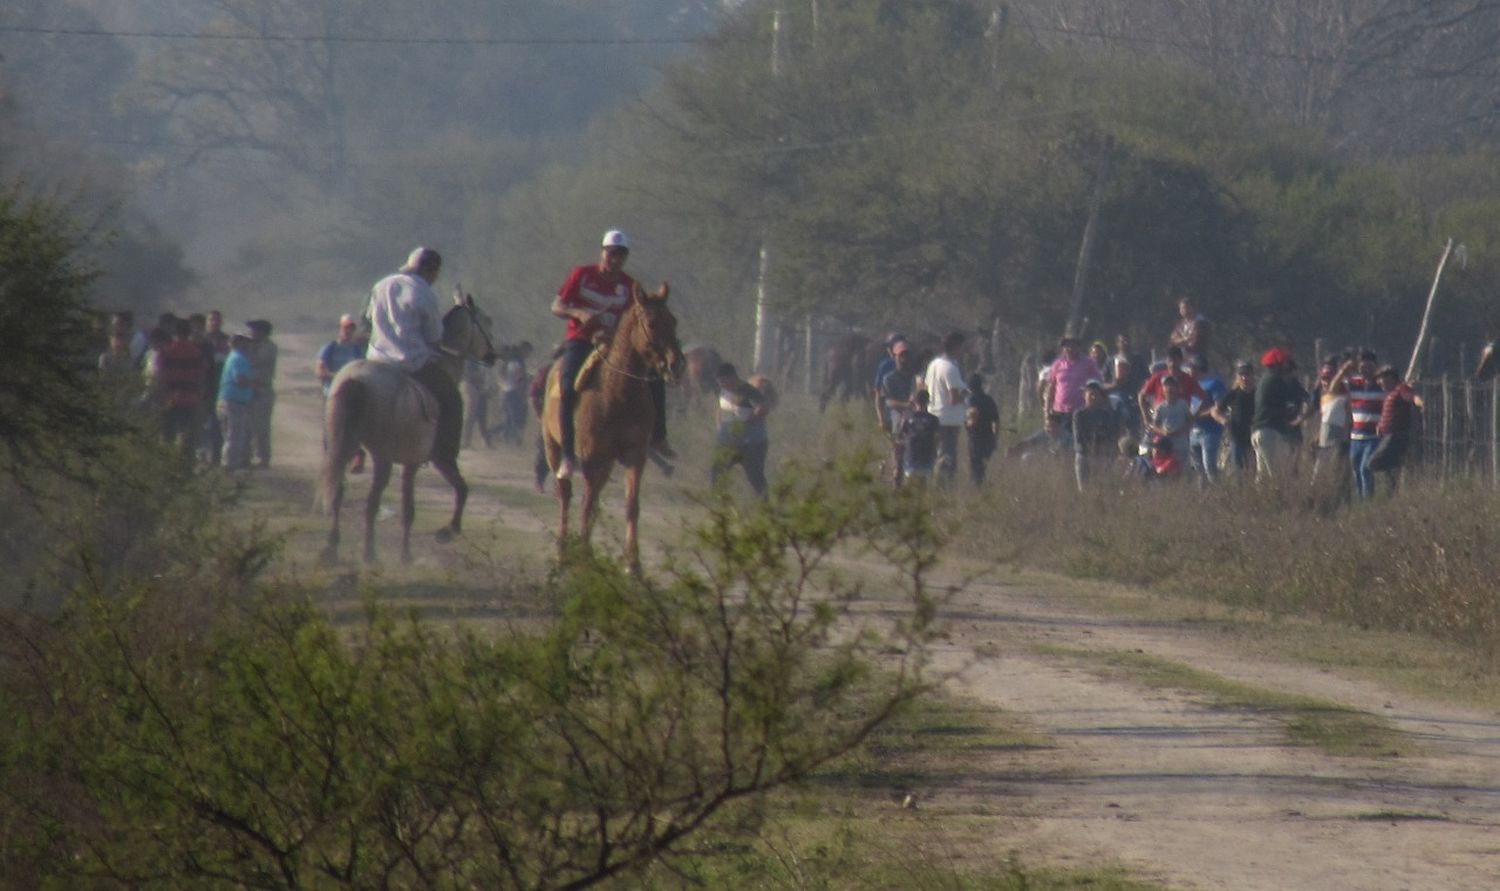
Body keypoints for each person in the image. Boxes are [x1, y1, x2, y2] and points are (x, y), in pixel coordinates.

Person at [551, 229, 674, 481]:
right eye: (612, 253)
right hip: (582, 341)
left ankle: (659, 436)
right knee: (566, 387)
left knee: (655, 378)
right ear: (602, 252)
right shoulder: (581, 275)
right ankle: (567, 455)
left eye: (621, 254)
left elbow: (633, 323)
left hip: (614, 345)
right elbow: (557, 306)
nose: (616, 259)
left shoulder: (629, 286)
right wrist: (579, 314)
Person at [366, 247, 464, 469]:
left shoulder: (381, 285)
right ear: (432, 271)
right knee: (452, 399)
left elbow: (369, 318)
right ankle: (445, 456)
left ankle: (356, 453)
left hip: (376, 359)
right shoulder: (424, 291)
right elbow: (434, 336)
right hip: (411, 362)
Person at [711, 362, 771, 497]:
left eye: (724, 381)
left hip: (751, 444)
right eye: (719, 382)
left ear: (733, 377)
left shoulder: (749, 391)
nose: (721, 385)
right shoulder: (722, 391)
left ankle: (765, 507)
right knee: (717, 473)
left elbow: (764, 406)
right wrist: (719, 426)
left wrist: (753, 417)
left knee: (755, 477)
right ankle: (718, 508)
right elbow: (719, 408)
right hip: (726, 443)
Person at [154, 317, 209, 460]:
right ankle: (185, 466)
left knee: (167, 436)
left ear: (174, 332)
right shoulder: (196, 353)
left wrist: (160, 397)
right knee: (187, 434)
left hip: (169, 399)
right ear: (189, 333)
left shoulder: (165, 352)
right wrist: (200, 397)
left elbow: (159, 377)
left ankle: (166, 464)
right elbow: (201, 377)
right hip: (190, 399)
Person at [1250, 347, 1307, 483]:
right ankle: (1277, 502)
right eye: (1285, 363)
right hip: (1269, 432)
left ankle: (1257, 501)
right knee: (1276, 476)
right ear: (1278, 365)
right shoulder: (1276, 381)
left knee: (1261, 476)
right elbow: (1288, 405)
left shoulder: (1264, 380)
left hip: (1257, 431)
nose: (1287, 366)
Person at [1366, 365, 1421, 495]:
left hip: (1395, 437)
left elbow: (1412, 397)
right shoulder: (1390, 393)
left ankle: (1389, 488)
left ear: (1390, 378)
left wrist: (1420, 402)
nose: (1379, 382)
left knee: (1372, 463)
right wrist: (1380, 425)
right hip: (1387, 436)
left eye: (1382, 379)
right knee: (1390, 471)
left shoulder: (1400, 389)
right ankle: (1391, 495)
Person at [922, 331, 968, 485]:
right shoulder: (951, 368)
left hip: (933, 414)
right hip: (949, 419)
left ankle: (935, 482)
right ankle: (944, 487)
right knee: (948, 456)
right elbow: (953, 398)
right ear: (956, 347)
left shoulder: (933, 365)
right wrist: (966, 395)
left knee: (936, 453)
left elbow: (925, 387)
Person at [1337, 351, 1383, 500]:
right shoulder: (1354, 383)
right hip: (1356, 437)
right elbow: (1333, 387)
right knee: (1356, 470)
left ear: (1376, 367)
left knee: (1365, 468)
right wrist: (1343, 370)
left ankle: (1367, 502)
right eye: (1362, 366)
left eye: (1369, 366)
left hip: (1373, 437)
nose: (1365, 370)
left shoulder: (1382, 384)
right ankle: (1360, 500)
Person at [878, 340, 918, 487]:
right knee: (898, 458)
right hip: (897, 421)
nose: (904, 358)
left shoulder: (914, 377)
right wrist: (906, 405)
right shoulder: (889, 378)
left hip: (915, 421)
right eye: (901, 355)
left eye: (907, 355)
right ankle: (897, 487)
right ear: (895, 356)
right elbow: (888, 402)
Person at [1310, 355, 1351, 494]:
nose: (1325, 382)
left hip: (1339, 436)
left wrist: (1346, 434)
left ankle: (1341, 497)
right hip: (1325, 436)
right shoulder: (1323, 396)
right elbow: (1324, 417)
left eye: (1328, 379)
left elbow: (1348, 415)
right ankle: (1316, 496)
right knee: (1320, 470)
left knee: (1339, 470)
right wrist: (1317, 435)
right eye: (1323, 379)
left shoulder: (1344, 393)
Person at [1072, 379, 1121, 492]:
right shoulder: (1079, 414)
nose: (1093, 397)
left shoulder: (1106, 414)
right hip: (1084, 455)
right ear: (1085, 395)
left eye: (1096, 394)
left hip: (1102, 456)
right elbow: (1079, 436)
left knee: (1103, 489)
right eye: (1091, 394)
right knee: (1084, 490)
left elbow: (1110, 435)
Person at [1042, 336, 1102, 426]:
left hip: (1081, 410)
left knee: (1078, 437)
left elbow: (1097, 384)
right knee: (1060, 438)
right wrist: (1047, 412)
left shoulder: (1089, 363)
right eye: (1067, 346)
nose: (1070, 349)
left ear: (1078, 347)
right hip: (1059, 411)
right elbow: (1051, 388)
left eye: (1073, 345)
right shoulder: (1057, 364)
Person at [1211, 360, 1257, 477]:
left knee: (1254, 469)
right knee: (1238, 469)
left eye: (1247, 374)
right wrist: (1223, 420)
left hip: (1254, 435)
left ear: (1252, 375)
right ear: (1238, 377)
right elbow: (1215, 411)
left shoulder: (1258, 393)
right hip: (1237, 435)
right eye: (1242, 375)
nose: (1245, 378)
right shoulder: (1233, 393)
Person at [217, 332, 255, 470]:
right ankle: (230, 465)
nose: (249, 345)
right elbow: (240, 380)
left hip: (227, 400)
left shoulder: (232, 357)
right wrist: (255, 382)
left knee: (230, 435)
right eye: (245, 342)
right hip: (235, 401)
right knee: (235, 436)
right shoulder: (240, 359)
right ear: (239, 343)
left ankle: (229, 463)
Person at [1188, 356, 1227, 485]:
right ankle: (1203, 494)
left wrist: (1201, 414)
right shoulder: (1192, 384)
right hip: (1194, 429)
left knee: (1209, 465)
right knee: (1198, 468)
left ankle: (1217, 491)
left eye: (1192, 368)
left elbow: (1219, 405)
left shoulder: (1214, 383)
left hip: (1210, 430)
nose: (1190, 371)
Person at [199, 310, 230, 465]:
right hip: (203, 386)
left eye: (217, 320)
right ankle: (202, 454)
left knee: (217, 424)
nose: (214, 323)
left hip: (219, 386)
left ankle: (215, 457)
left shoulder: (226, 341)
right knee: (202, 423)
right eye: (211, 320)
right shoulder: (201, 340)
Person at [246, 319, 278, 468]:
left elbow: (257, 361)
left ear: (262, 332)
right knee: (247, 425)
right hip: (248, 389)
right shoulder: (252, 345)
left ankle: (263, 457)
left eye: (253, 330)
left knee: (261, 426)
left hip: (262, 389)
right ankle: (248, 455)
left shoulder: (269, 347)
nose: (251, 332)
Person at [1146, 374, 1193, 462]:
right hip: (1166, 446)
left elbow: (1190, 421)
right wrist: (1163, 432)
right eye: (1166, 386)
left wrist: (1181, 430)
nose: (1169, 389)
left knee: (1182, 469)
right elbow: (1153, 426)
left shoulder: (1183, 405)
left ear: (1177, 388)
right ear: (1163, 390)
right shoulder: (1160, 407)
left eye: (1172, 386)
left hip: (1181, 444)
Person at [965, 372, 1000, 486]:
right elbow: (996, 421)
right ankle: (983, 488)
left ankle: (976, 489)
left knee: (975, 468)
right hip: (989, 438)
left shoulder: (971, 400)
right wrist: (995, 438)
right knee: (984, 468)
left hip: (976, 439)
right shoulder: (989, 400)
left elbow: (973, 416)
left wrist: (967, 424)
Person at [899, 390, 942, 484]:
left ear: (915, 401)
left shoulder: (907, 416)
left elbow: (902, 433)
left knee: (910, 483)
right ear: (928, 402)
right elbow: (937, 438)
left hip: (911, 453)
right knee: (924, 482)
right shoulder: (933, 419)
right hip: (927, 453)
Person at [497, 341, 533, 445]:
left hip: (507, 391)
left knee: (509, 417)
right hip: (513, 392)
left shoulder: (509, 362)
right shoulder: (516, 363)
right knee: (515, 417)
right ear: (523, 350)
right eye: (528, 352)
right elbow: (519, 380)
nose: (528, 355)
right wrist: (528, 379)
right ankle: (513, 439)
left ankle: (506, 439)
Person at [461, 356, 496, 449]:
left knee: (481, 418)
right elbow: (466, 374)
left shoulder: (483, 362)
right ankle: (466, 442)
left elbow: (486, 377)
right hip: (473, 391)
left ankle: (486, 442)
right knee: (470, 417)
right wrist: (477, 376)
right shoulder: (471, 360)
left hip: (481, 392)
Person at [1008, 411, 1072, 460]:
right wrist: (1015, 449)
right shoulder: (1044, 434)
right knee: (1027, 457)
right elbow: (1028, 442)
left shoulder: (1067, 437)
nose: (1048, 429)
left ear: (1059, 426)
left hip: (1062, 462)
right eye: (1046, 426)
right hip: (1046, 460)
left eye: (1051, 426)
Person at [1169, 297, 1211, 367]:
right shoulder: (1181, 324)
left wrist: (1180, 341)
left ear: (1191, 308)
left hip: (1196, 358)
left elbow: (1193, 343)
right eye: (1180, 308)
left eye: (1184, 308)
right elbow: (1172, 341)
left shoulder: (1200, 322)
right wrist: (1185, 340)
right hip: (1182, 358)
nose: (1181, 310)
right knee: (1158, 367)